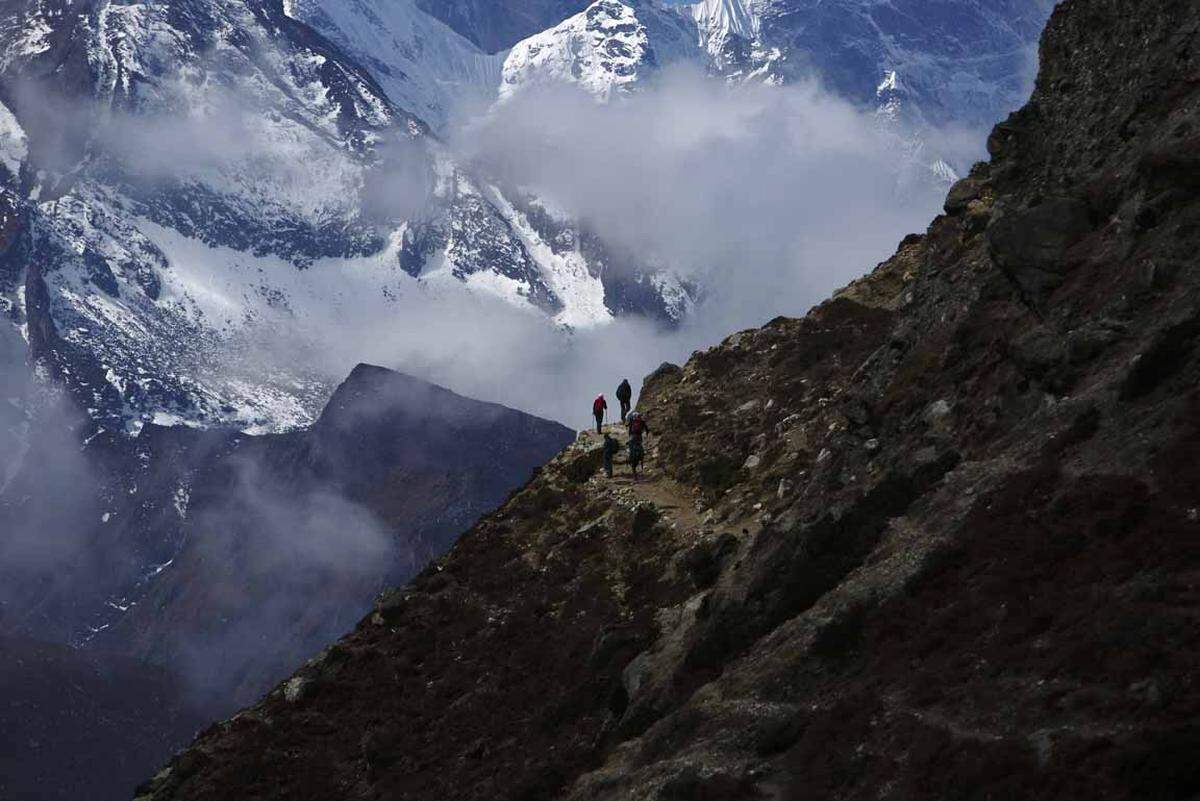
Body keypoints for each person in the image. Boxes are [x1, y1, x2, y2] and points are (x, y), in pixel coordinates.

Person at [627, 411, 650, 480]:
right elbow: (647, 429)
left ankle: (630, 460)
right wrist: (647, 433)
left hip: (633, 437)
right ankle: (641, 457)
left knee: (631, 449)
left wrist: (630, 436)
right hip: (639, 437)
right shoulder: (642, 421)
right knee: (640, 446)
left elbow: (630, 431)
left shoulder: (632, 421)